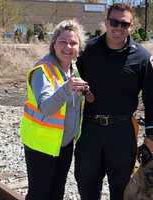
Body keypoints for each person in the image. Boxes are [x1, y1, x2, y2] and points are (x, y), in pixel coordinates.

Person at [74, 3, 153, 200]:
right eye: (114, 22)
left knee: (121, 191)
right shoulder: (87, 51)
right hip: (89, 130)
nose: (118, 28)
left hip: (122, 133)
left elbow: (151, 99)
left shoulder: (142, 58)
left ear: (131, 26)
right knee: (87, 187)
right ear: (106, 22)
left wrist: (151, 135)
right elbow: (72, 81)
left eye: (124, 24)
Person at [19, 19, 92, 200]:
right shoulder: (42, 71)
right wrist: (67, 88)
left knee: (57, 193)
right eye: (63, 42)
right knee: (39, 194)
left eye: (73, 43)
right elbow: (46, 108)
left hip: (63, 144)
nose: (68, 47)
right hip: (41, 145)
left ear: (79, 47)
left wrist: (85, 93)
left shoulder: (72, 69)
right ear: (54, 44)